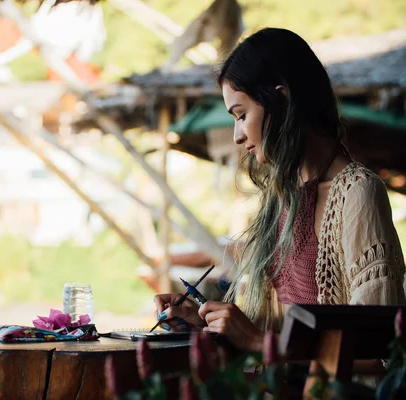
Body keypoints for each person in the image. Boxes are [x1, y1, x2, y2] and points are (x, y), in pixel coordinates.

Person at [154, 28, 406, 355]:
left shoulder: (357, 193)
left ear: (281, 99)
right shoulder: (282, 199)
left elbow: (383, 351)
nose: (237, 136)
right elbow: (281, 330)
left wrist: (260, 343)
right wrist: (207, 321)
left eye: (242, 115)